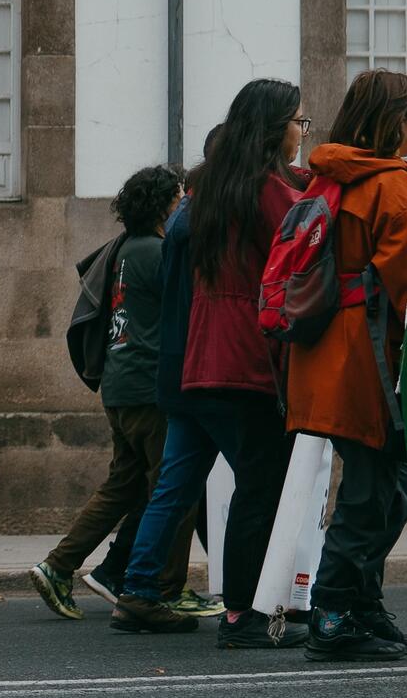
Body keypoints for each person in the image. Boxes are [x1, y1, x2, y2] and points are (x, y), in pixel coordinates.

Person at [111, 81, 309, 649]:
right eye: (299, 121)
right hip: (243, 359)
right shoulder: (267, 188)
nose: (302, 132)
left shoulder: (210, 189)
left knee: (178, 484)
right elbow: (305, 245)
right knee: (260, 485)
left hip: (198, 360)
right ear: (275, 127)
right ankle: (243, 614)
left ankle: (143, 587)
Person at [30, 166, 219, 621]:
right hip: (151, 389)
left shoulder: (123, 250)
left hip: (119, 386)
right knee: (175, 490)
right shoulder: (157, 252)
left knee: (124, 486)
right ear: (162, 205)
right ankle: (165, 588)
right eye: (178, 199)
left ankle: (58, 566)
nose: (182, 206)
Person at [286, 69, 407, 662]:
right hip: (370, 359)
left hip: (324, 355)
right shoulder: (394, 186)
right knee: (376, 494)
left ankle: (361, 604)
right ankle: (334, 609)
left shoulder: (331, 175)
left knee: (381, 488)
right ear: (393, 122)